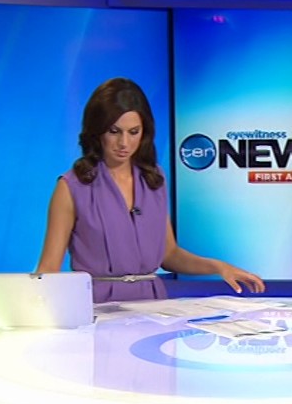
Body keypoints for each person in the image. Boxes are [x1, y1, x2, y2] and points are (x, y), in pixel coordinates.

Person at [36, 77, 265, 302]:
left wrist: (219, 267)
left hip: (151, 307)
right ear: (97, 132)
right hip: (96, 308)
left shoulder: (154, 180)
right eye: (114, 131)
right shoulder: (72, 187)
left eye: (133, 132)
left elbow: (169, 255)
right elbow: (48, 269)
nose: (124, 143)